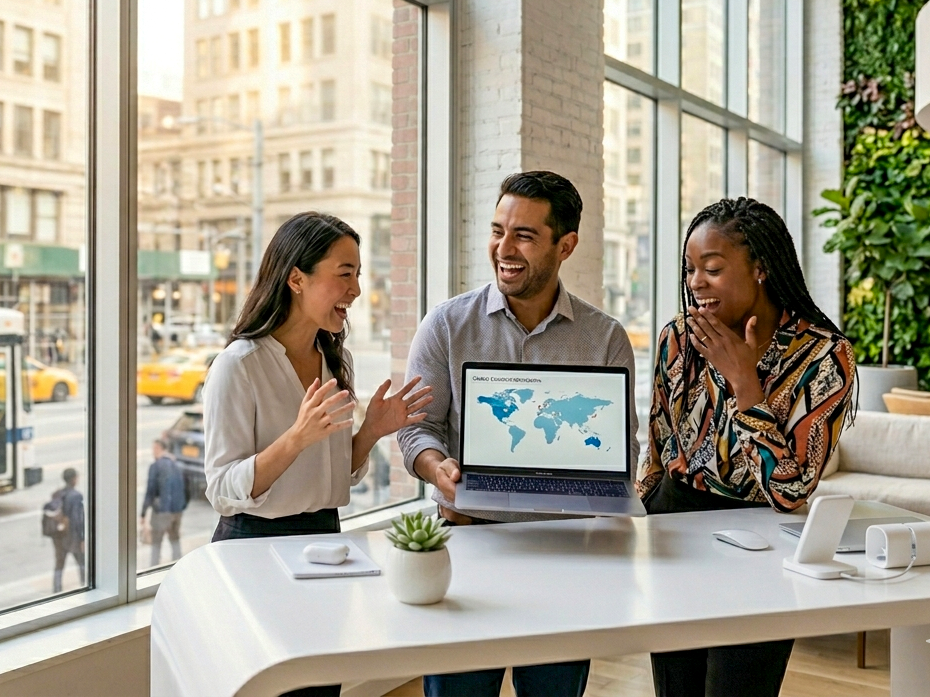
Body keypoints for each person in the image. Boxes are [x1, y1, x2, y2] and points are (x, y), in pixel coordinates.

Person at [397, 171, 639, 697]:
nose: (503, 248)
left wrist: (611, 492)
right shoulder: (446, 325)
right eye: (497, 230)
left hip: (566, 554)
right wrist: (438, 469)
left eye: (524, 235)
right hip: (469, 544)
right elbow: (418, 430)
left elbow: (623, 451)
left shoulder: (605, 338)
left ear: (565, 245)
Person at [204, 211, 432, 697]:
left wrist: (370, 432)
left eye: (358, 276)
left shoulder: (334, 359)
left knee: (321, 689)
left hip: (325, 541)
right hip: (254, 551)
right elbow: (222, 490)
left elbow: (332, 475)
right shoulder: (237, 367)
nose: (355, 290)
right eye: (344, 274)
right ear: (296, 279)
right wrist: (295, 438)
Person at [637, 197, 857, 697]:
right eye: (690, 269)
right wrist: (633, 521)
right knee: (677, 688)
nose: (695, 283)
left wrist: (745, 384)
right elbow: (658, 448)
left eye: (711, 269)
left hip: (764, 542)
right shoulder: (679, 337)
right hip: (677, 528)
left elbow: (791, 489)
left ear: (760, 268)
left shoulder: (824, 355)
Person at [141, 439, 188, 566]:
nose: (152, 452)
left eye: (153, 449)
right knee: (175, 540)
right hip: (177, 510)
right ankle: (178, 566)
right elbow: (186, 487)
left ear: (158, 448)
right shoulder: (178, 464)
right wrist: (182, 506)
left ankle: (154, 568)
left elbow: (150, 491)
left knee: (156, 544)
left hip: (162, 511)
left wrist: (143, 513)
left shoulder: (155, 466)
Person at [50, 468, 86, 593]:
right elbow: (78, 519)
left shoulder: (58, 493)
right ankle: (85, 584)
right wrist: (82, 538)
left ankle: (56, 589)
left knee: (59, 564)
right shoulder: (76, 496)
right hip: (72, 537)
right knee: (82, 562)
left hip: (59, 536)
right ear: (74, 479)